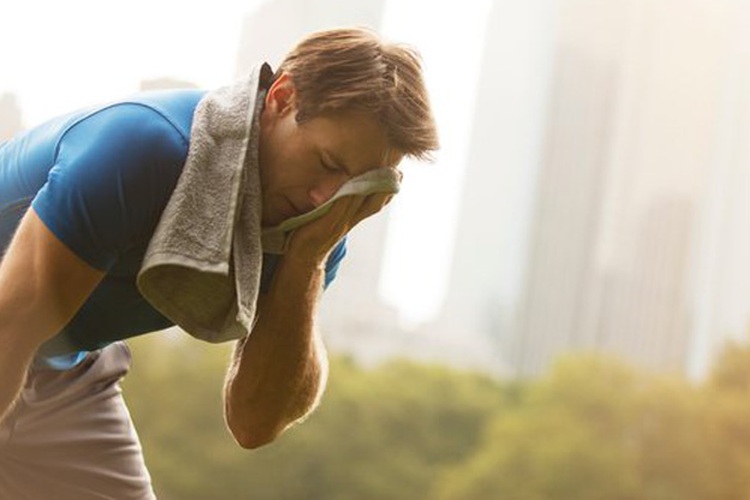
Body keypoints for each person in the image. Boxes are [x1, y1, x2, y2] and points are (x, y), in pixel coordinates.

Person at [0, 27, 438, 499]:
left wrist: (306, 263)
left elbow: (255, 422)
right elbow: (11, 323)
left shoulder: (312, 229)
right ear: (282, 97)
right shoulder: (143, 147)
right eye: (327, 162)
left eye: (355, 185)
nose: (324, 198)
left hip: (62, 361)